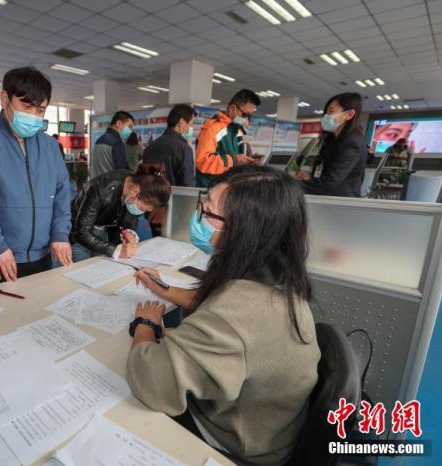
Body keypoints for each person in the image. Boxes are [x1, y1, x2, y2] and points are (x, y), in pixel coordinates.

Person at [125, 165, 320, 466]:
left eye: (209, 212)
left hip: (236, 442)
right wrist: (164, 292)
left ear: (243, 229)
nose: (199, 216)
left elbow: (150, 383)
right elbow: (224, 321)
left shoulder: (237, 311)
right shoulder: (280, 281)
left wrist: (145, 325)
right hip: (271, 427)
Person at [0, 66, 73, 286]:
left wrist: (60, 233)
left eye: (40, 110)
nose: (33, 115)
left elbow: (62, 193)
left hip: (41, 256)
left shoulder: (51, 146)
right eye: (26, 106)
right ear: (5, 98)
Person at [69, 163, 171, 261]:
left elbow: (130, 216)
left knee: (99, 267)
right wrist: (114, 250)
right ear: (136, 192)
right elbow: (82, 232)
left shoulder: (136, 187)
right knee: (81, 268)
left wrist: (131, 233)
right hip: (80, 234)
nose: (141, 212)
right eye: (142, 208)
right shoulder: (102, 188)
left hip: (105, 230)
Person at [297, 92, 367, 197]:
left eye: (330, 112)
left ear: (349, 114)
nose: (326, 116)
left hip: (339, 202)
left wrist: (290, 185)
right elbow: (327, 173)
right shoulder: (335, 139)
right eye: (325, 112)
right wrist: (310, 177)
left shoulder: (351, 143)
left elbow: (330, 182)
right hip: (327, 197)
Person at [195, 89, 261, 187]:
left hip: (228, 190)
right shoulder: (213, 128)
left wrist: (249, 162)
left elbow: (237, 162)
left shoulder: (237, 131)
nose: (247, 120)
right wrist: (234, 160)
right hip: (210, 191)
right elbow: (203, 161)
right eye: (244, 114)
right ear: (232, 108)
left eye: (250, 116)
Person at [142, 104, 196, 187]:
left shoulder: (150, 147)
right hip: (173, 197)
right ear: (181, 122)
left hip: (150, 196)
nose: (190, 128)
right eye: (191, 124)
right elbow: (187, 184)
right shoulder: (184, 149)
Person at [90, 110, 134, 178]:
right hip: (111, 186)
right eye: (129, 127)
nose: (130, 131)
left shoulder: (98, 141)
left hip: (97, 185)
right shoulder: (117, 142)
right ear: (119, 123)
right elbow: (122, 171)